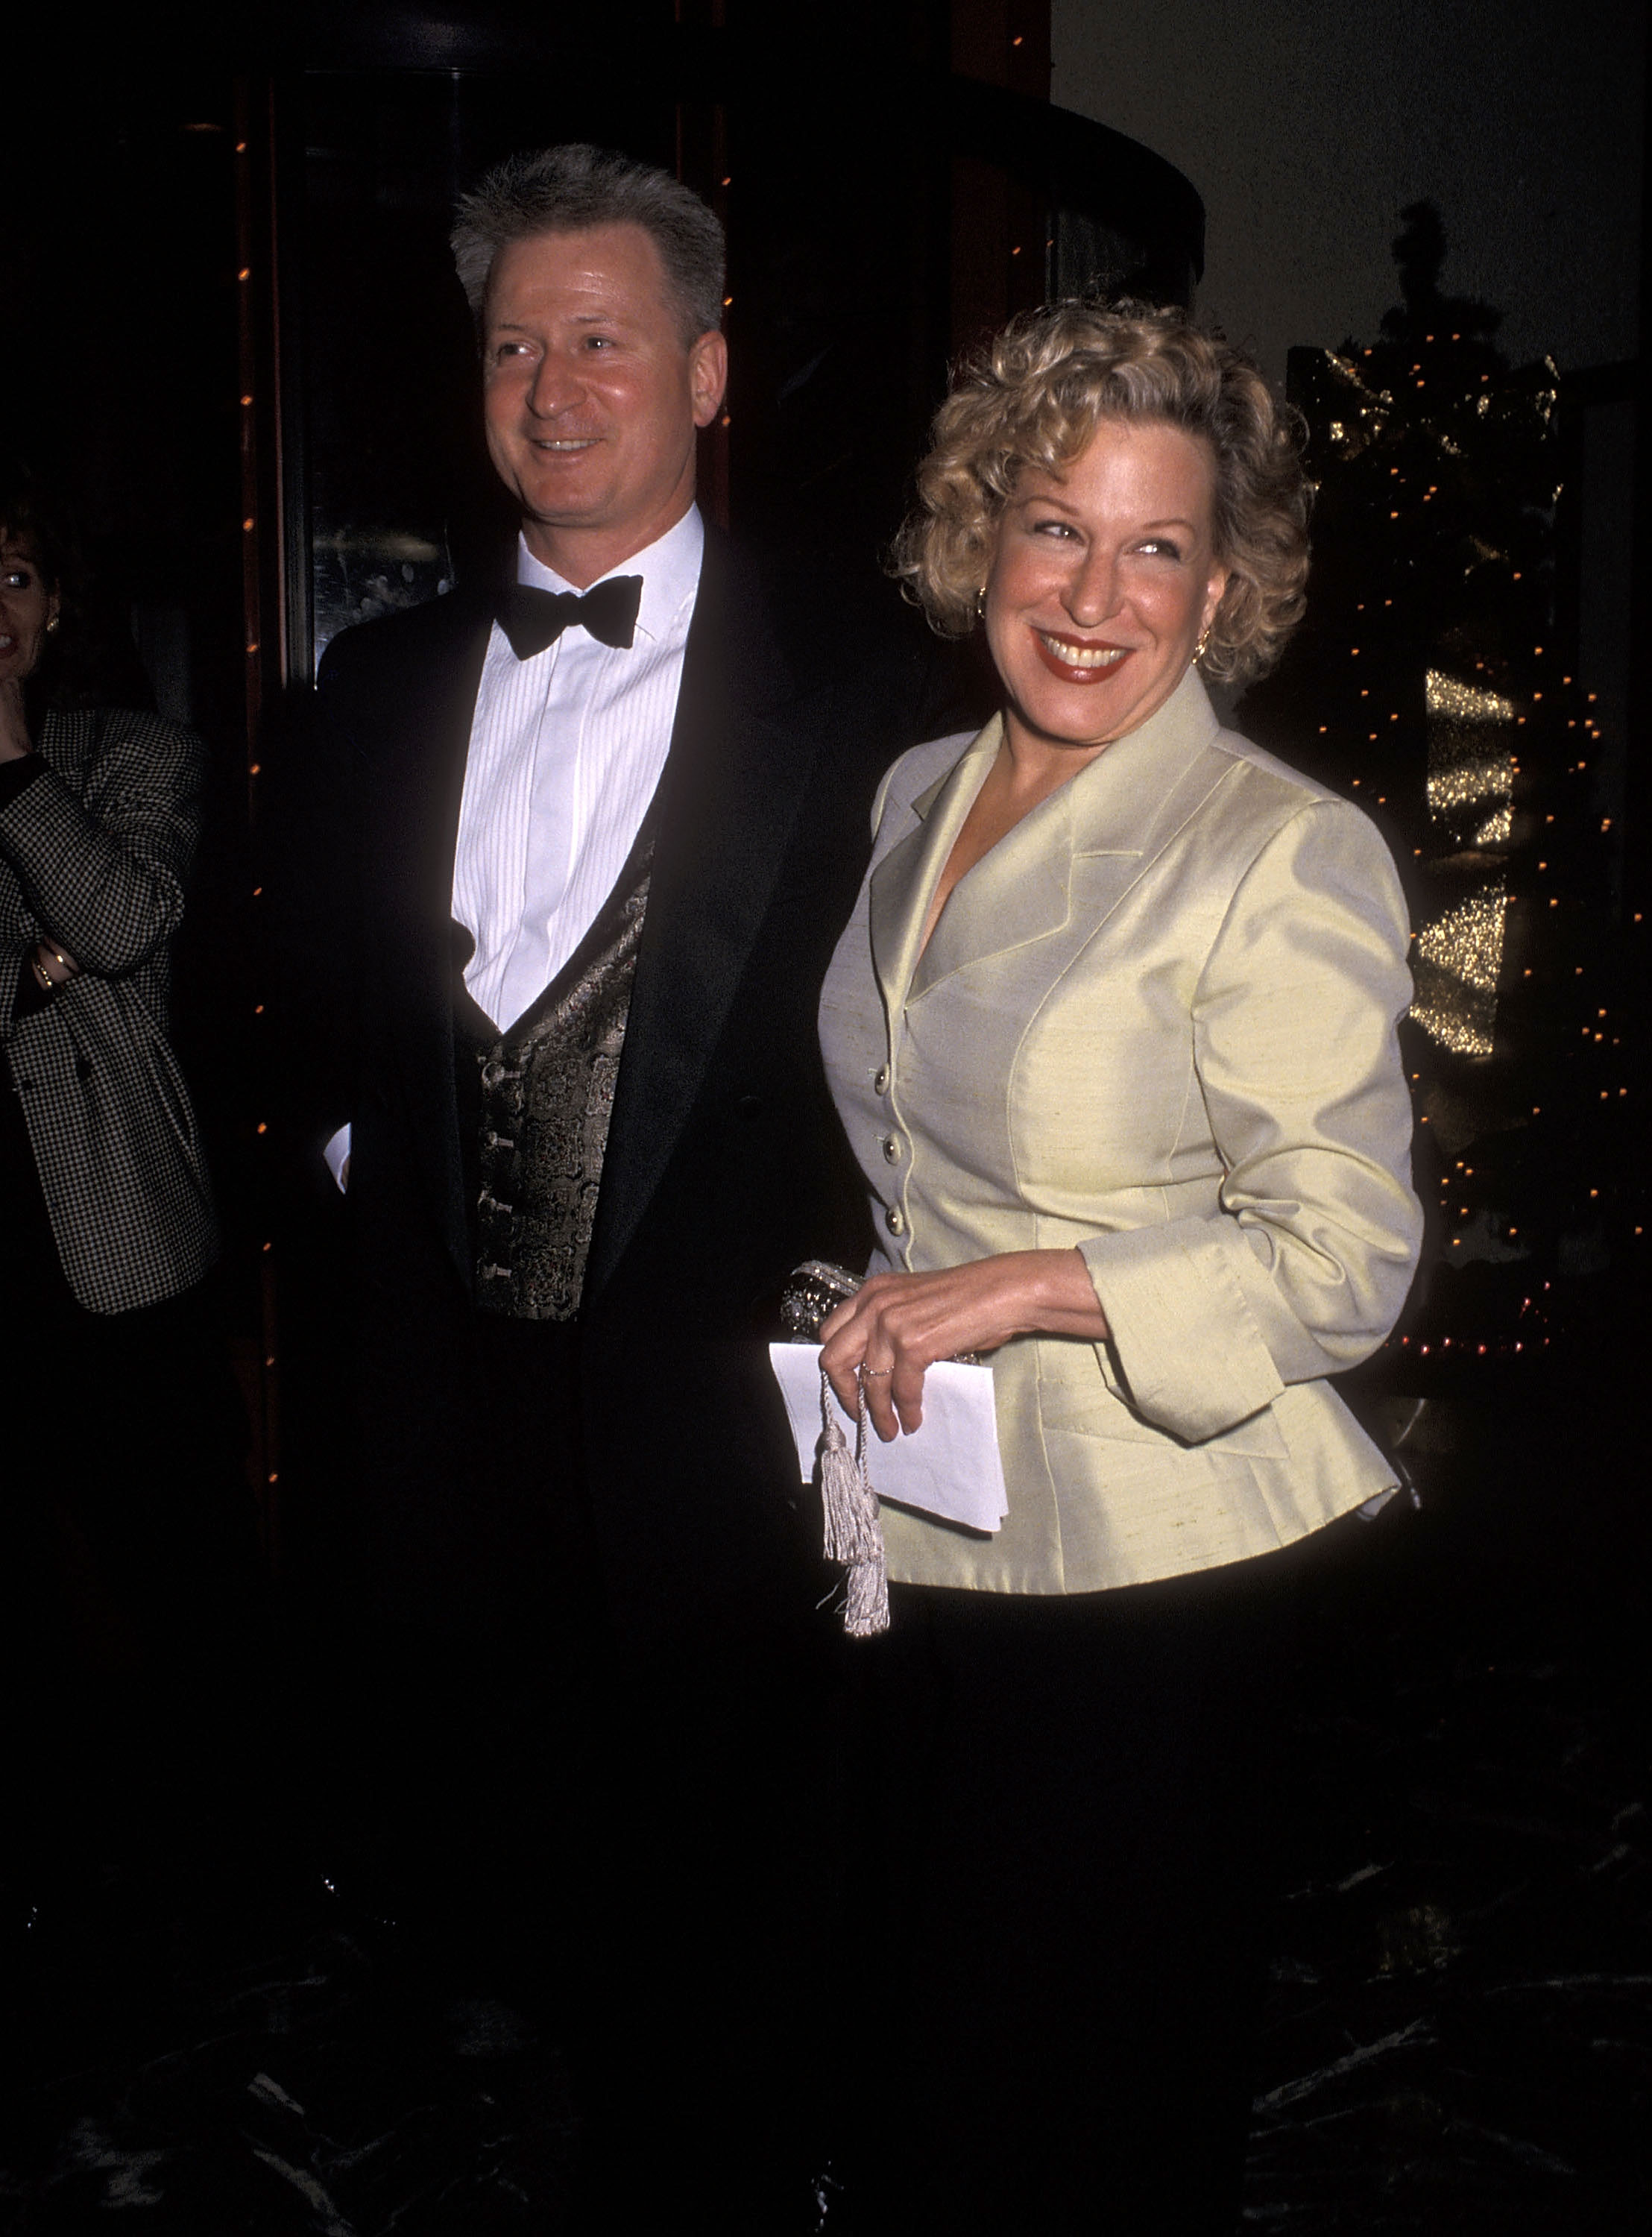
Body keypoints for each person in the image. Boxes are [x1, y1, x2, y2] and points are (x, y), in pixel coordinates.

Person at [289, 145, 968, 2229]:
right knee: (513, 1922)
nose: (553, 385)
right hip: (445, 1435)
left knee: (743, 1954)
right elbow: (336, 1016)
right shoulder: (383, 681)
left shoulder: (872, 689)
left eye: (602, 338)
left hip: (728, 1448)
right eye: (515, 343)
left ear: (709, 370)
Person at [816, 302, 1423, 2233]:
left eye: (1157, 546)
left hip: (1158, 1569)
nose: (1095, 595)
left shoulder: (1280, 851)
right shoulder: (915, 793)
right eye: (1056, 527)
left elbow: (1343, 1260)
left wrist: (1015, 1285)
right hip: (924, 1525)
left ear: (1223, 586)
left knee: (1093, 2092)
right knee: (923, 2054)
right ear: (977, 535)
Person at [0, 479, 245, 1863]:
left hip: (116, 1235)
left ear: (60, 603)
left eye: (19, 578)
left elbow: (119, 914)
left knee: (187, 1577)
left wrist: (9, 756)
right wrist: (41, 969)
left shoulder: (127, 754)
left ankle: (225, 1870)